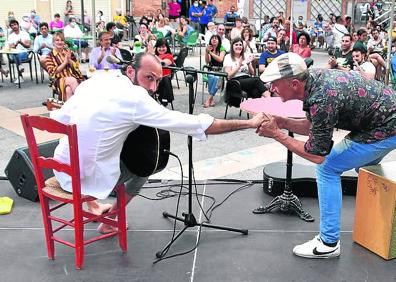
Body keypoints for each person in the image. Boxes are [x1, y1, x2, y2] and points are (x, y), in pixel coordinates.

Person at [49, 52, 266, 234]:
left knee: (94, 146)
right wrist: (248, 124)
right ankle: (110, 220)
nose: (153, 87)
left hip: (62, 167)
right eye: (148, 78)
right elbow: (193, 124)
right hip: (86, 178)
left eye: (157, 81)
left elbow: (61, 118)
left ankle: (94, 205)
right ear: (130, 71)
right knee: (144, 166)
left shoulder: (96, 81)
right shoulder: (136, 98)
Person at [257, 52, 396, 259]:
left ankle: (329, 243)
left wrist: (276, 134)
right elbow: (315, 127)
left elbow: (317, 155)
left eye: (275, 84)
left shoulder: (322, 96)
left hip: (386, 127)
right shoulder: (312, 80)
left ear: (294, 84)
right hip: (382, 119)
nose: (271, 89)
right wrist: (284, 123)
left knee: (327, 168)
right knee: (361, 168)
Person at [44, 32, 84, 101]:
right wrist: (65, 62)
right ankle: (82, 101)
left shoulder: (69, 52)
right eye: (57, 40)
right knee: (72, 80)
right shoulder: (49, 56)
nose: (60, 42)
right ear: (53, 42)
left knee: (68, 90)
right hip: (58, 79)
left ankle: (69, 110)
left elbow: (77, 67)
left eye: (62, 40)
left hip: (73, 76)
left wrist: (69, 60)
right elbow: (52, 72)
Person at [204, 34, 226, 108]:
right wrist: (207, 52)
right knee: (211, 76)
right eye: (212, 38)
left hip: (220, 71)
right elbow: (207, 61)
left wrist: (210, 53)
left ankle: (209, 99)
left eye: (216, 38)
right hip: (211, 70)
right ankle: (212, 99)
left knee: (216, 78)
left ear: (219, 41)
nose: (214, 40)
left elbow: (220, 59)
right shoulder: (209, 48)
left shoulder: (222, 49)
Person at [6, 19, 31, 84]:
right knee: (15, 54)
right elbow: (10, 47)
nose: (14, 26)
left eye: (15, 25)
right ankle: (20, 68)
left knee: (17, 55)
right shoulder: (11, 36)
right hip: (14, 53)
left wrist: (21, 43)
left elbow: (28, 46)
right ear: (11, 27)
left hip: (24, 53)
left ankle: (20, 76)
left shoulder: (25, 34)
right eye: (12, 25)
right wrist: (16, 44)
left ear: (18, 25)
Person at [154, 38, 175, 106]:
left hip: (163, 79)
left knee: (164, 79)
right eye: (159, 47)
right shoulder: (154, 55)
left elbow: (163, 63)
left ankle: (164, 101)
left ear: (167, 47)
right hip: (153, 78)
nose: (161, 49)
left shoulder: (169, 56)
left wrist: (154, 56)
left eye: (163, 47)